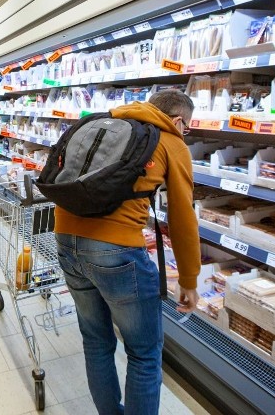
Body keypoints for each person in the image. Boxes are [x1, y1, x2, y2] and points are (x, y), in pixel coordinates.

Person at [54, 89, 200, 415]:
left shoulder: (109, 122)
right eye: (187, 127)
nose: (185, 133)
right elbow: (182, 218)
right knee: (144, 354)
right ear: (178, 120)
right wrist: (189, 278)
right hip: (115, 253)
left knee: (95, 341)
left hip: (65, 236)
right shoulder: (171, 141)